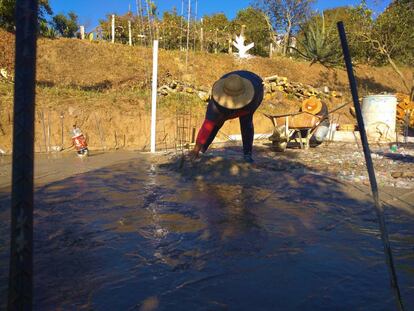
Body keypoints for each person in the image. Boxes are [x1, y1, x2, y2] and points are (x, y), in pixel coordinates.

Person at [190, 70, 264, 163]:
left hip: (255, 84)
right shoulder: (216, 104)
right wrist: (196, 149)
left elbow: (246, 112)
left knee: (246, 122)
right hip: (232, 87)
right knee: (216, 122)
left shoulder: (254, 95)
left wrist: (231, 114)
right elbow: (207, 126)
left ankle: (247, 154)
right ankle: (202, 150)